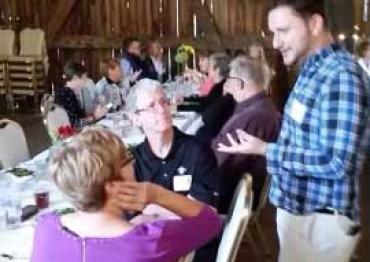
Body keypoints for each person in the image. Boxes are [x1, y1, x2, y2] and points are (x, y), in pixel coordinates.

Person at [217, 0, 370, 261]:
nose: (275, 43)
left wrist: (264, 149)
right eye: (273, 33)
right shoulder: (313, 69)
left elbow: (336, 162)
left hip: (319, 222)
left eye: (283, 30)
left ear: (314, 23)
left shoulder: (341, 76)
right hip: (302, 216)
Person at [31, 129, 222, 262]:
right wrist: (158, 194)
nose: (134, 164)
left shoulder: (45, 227)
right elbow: (211, 221)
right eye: (127, 160)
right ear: (112, 185)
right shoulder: (149, 242)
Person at [126, 78, 220, 206]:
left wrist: (153, 211)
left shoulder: (197, 152)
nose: (161, 109)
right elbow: (131, 210)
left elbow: (201, 210)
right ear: (135, 118)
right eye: (151, 106)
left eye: (163, 102)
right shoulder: (134, 162)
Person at [212, 56, 281, 214]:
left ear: (240, 82)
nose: (228, 84)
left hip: (234, 195)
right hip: (238, 187)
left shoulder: (254, 116)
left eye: (230, 79)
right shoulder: (261, 107)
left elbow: (219, 162)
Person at [55, 61, 106, 127]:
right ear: (75, 78)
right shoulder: (66, 94)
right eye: (84, 79)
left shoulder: (68, 92)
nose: (85, 83)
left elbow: (80, 116)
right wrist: (94, 116)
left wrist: (95, 113)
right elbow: (75, 124)